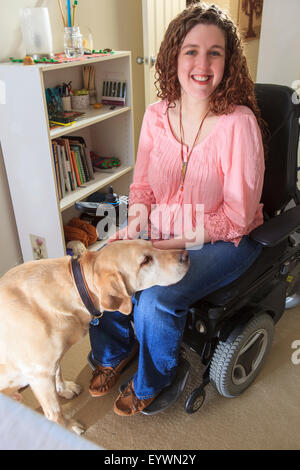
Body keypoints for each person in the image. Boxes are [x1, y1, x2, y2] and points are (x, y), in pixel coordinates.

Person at [88, 2, 268, 416]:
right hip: (165, 228)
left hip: (224, 239)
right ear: (174, 55)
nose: (202, 64)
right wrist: (135, 227)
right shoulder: (155, 115)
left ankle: (156, 378)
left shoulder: (238, 124)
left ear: (229, 61)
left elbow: (237, 218)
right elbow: (144, 187)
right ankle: (114, 350)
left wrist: (166, 242)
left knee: (154, 298)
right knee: (106, 264)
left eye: (214, 52)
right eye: (191, 50)